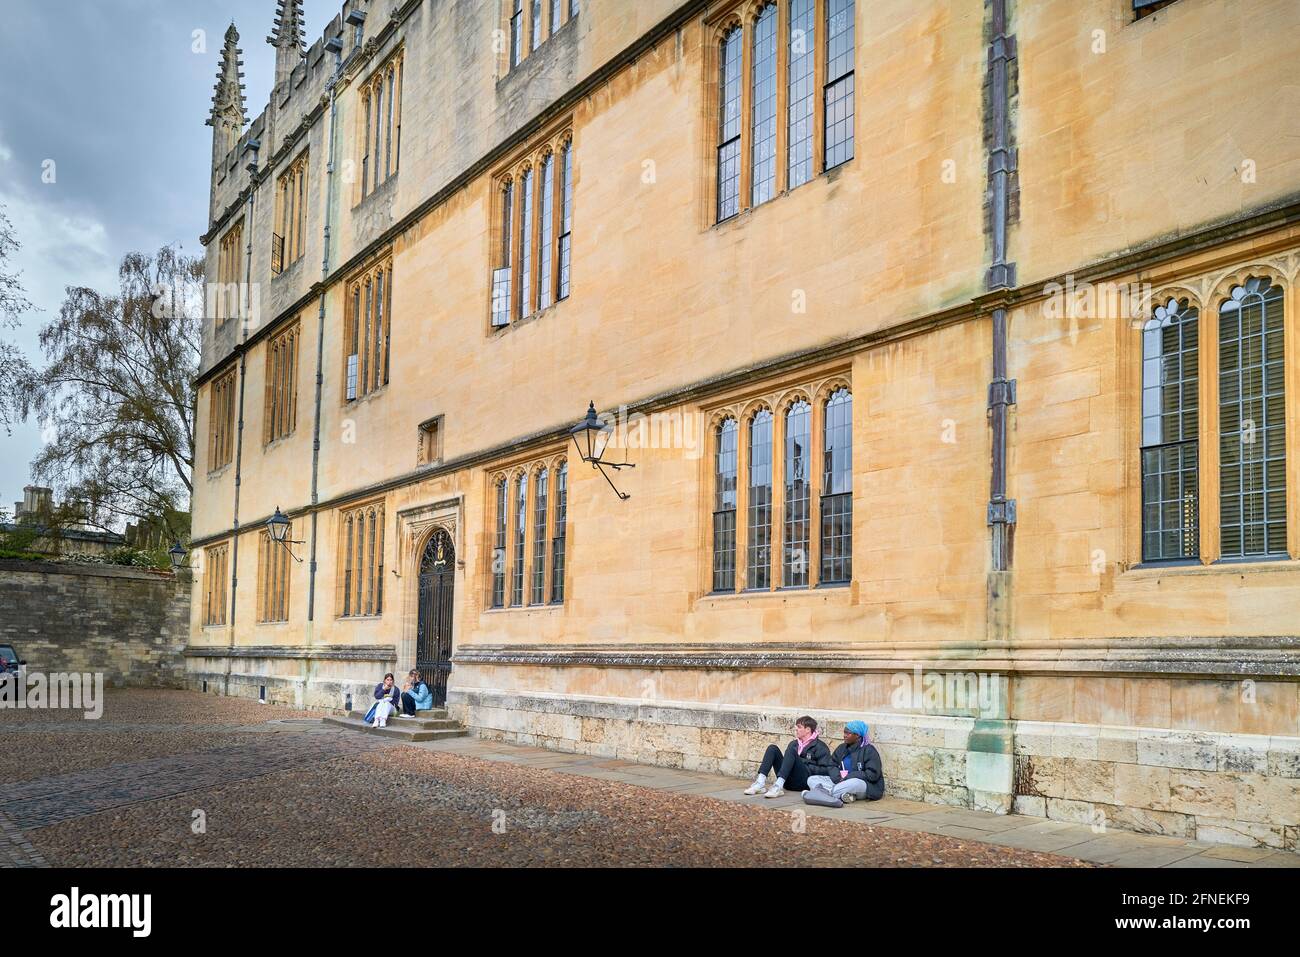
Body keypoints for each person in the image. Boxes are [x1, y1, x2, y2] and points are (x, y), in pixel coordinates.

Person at [742, 715, 836, 798]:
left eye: (799, 727)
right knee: (772, 748)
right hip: (787, 782)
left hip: (803, 783)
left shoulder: (820, 746)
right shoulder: (794, 744)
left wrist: (805, 764)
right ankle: (760, 783)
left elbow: (826, 770)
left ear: (808, 730)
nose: (796, 729)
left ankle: (778, 786)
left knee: (791, 751)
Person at [804, 720, 885, 806]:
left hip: (863, 785)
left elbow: (872, 775)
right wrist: (837, 777)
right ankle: (843, 796)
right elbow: (832, 764)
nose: (844, 736)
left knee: (853, 783)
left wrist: (849, 777)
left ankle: (819, 794)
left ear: (857, 735)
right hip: (840, 781)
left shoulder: (869, 750)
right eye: (844, 732)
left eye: (848, 733)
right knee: (812, 780)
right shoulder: (842, 748)